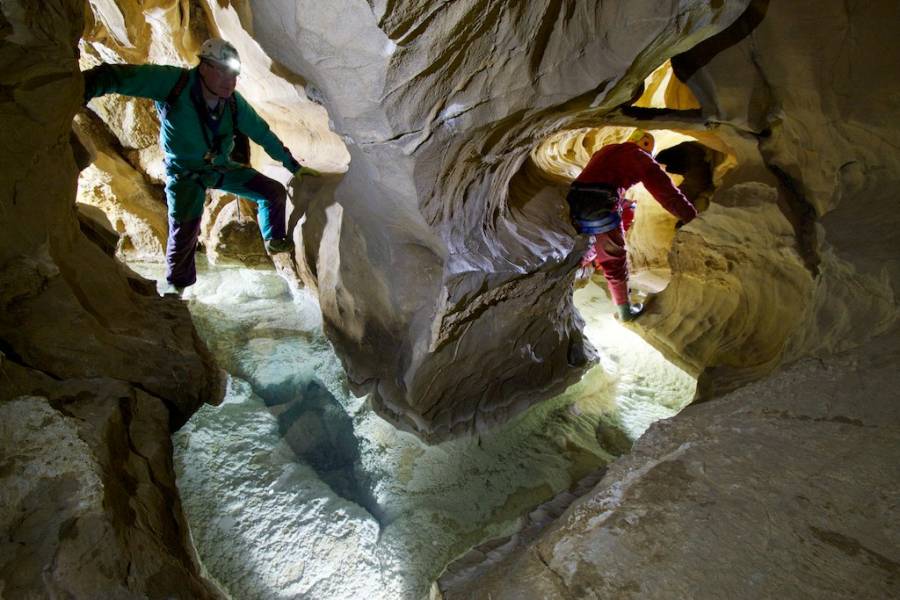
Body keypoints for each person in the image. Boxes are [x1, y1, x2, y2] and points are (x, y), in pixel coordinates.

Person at [82, 39, 319, 293]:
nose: (231, 81)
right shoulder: (174, 84)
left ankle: (274, 240)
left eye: (235, 75)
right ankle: (177, 290)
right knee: (184, 231)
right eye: (224, 72)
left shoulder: (233, 103)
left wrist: (293, 166)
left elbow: (262, 133)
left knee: (272, 192)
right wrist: (81, 89)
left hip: (219, 167)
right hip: (184, 172)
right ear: (204, 67)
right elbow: (120, 78)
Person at [567, 130, 697, 321]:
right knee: (613, 260)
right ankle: (625, 313)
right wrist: (692, 218)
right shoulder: (640, 157)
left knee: (597, 236)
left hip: (574, 198)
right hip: (599, 203)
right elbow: (668, 195)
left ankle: (580, 267)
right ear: (647, 148)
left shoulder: (607, 149)